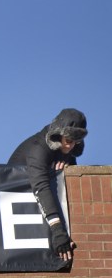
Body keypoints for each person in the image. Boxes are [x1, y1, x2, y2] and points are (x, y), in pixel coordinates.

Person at [8, 108, 88, 262]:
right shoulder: (38, 148)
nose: (70, 147)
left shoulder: (67, 148)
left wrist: (68, 163)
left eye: (76, 142)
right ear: (58, 135)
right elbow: (41, 186)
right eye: (69, 141)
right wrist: (58, 231)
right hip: (19, 203)